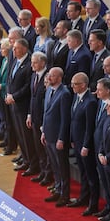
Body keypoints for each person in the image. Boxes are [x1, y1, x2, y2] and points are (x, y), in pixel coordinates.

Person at [5, 38, 39, 175]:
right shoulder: (14, 60)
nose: (13, 50)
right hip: (14, 104)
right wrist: (8, 93)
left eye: (16, 48)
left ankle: (33, 163)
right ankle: (25, 159)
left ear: (24, 49)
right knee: (20, 134)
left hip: (23, 105)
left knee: (27, 137)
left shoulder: (29, 63)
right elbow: (9, 79)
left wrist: (14, 96)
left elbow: (27, 87)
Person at [67, 72, 99, 215]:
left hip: (86, 145)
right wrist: (73, 140)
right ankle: (83, 197)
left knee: (90, 175)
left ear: (84, 85)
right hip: (77, 142)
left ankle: (93, 204)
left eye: (75, 84)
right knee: (83, 173)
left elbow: (89, 126)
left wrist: (86, 145)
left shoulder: (90, 101)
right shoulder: (76, 96)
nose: (72, 86)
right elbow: (74, 121)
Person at [41, 67, 72, 207]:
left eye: (52, 76)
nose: (49, 78)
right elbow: (45, 112)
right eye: (49, 76)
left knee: (62, 166)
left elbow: (65, 119)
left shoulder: (64, 93)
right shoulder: (49, 90)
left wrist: (61, 138)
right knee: (54, 165)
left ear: (59, 77)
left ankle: (65, 194)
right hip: (48, 134)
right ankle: (58, 189)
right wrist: (43, 132)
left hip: (58, 137)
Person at [27, 52, 53, 186]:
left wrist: (44, 122)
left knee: (46, 150)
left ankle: (48, 174)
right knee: (38, 147)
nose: (32, 65)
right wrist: (29, 114)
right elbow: (32, 97)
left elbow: (47, 103)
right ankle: (42, 171)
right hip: (35, 117)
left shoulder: (48, 77)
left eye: (35, 62)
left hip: (44, 120)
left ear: (43, 63)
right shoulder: (34, 75)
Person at [93, 78, 110, 219]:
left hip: (107, 152)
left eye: (100, 90)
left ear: (108, 91)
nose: (97, 92)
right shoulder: (100, 102)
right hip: (98, 148)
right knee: (104, 182)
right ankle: (108, 207)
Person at [0, 38, 18, 155]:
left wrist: (1, 86)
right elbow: (2, 75)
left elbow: (9, 80)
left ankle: (11, 144)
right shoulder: (4, 61)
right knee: (6, 120)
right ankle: (7, 141)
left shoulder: (11, 62)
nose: (1, 51)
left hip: (6, 94)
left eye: (3, 49)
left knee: (10, 122)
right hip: (2, 94)